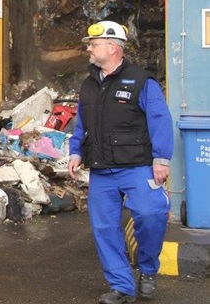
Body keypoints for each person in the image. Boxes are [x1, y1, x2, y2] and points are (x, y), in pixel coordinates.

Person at [68, 20, 174, 304]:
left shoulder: (142, 81)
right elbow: (82, 124)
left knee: (150, 214)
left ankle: (148, 269)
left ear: (113, 47)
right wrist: (76, 150)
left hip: (138, 165)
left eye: (94, 44)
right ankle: (121, 287)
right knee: (104, 228)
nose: (89, 49)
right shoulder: (89, 84)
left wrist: (161, 159)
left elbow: (160, 120)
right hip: (101, 169)